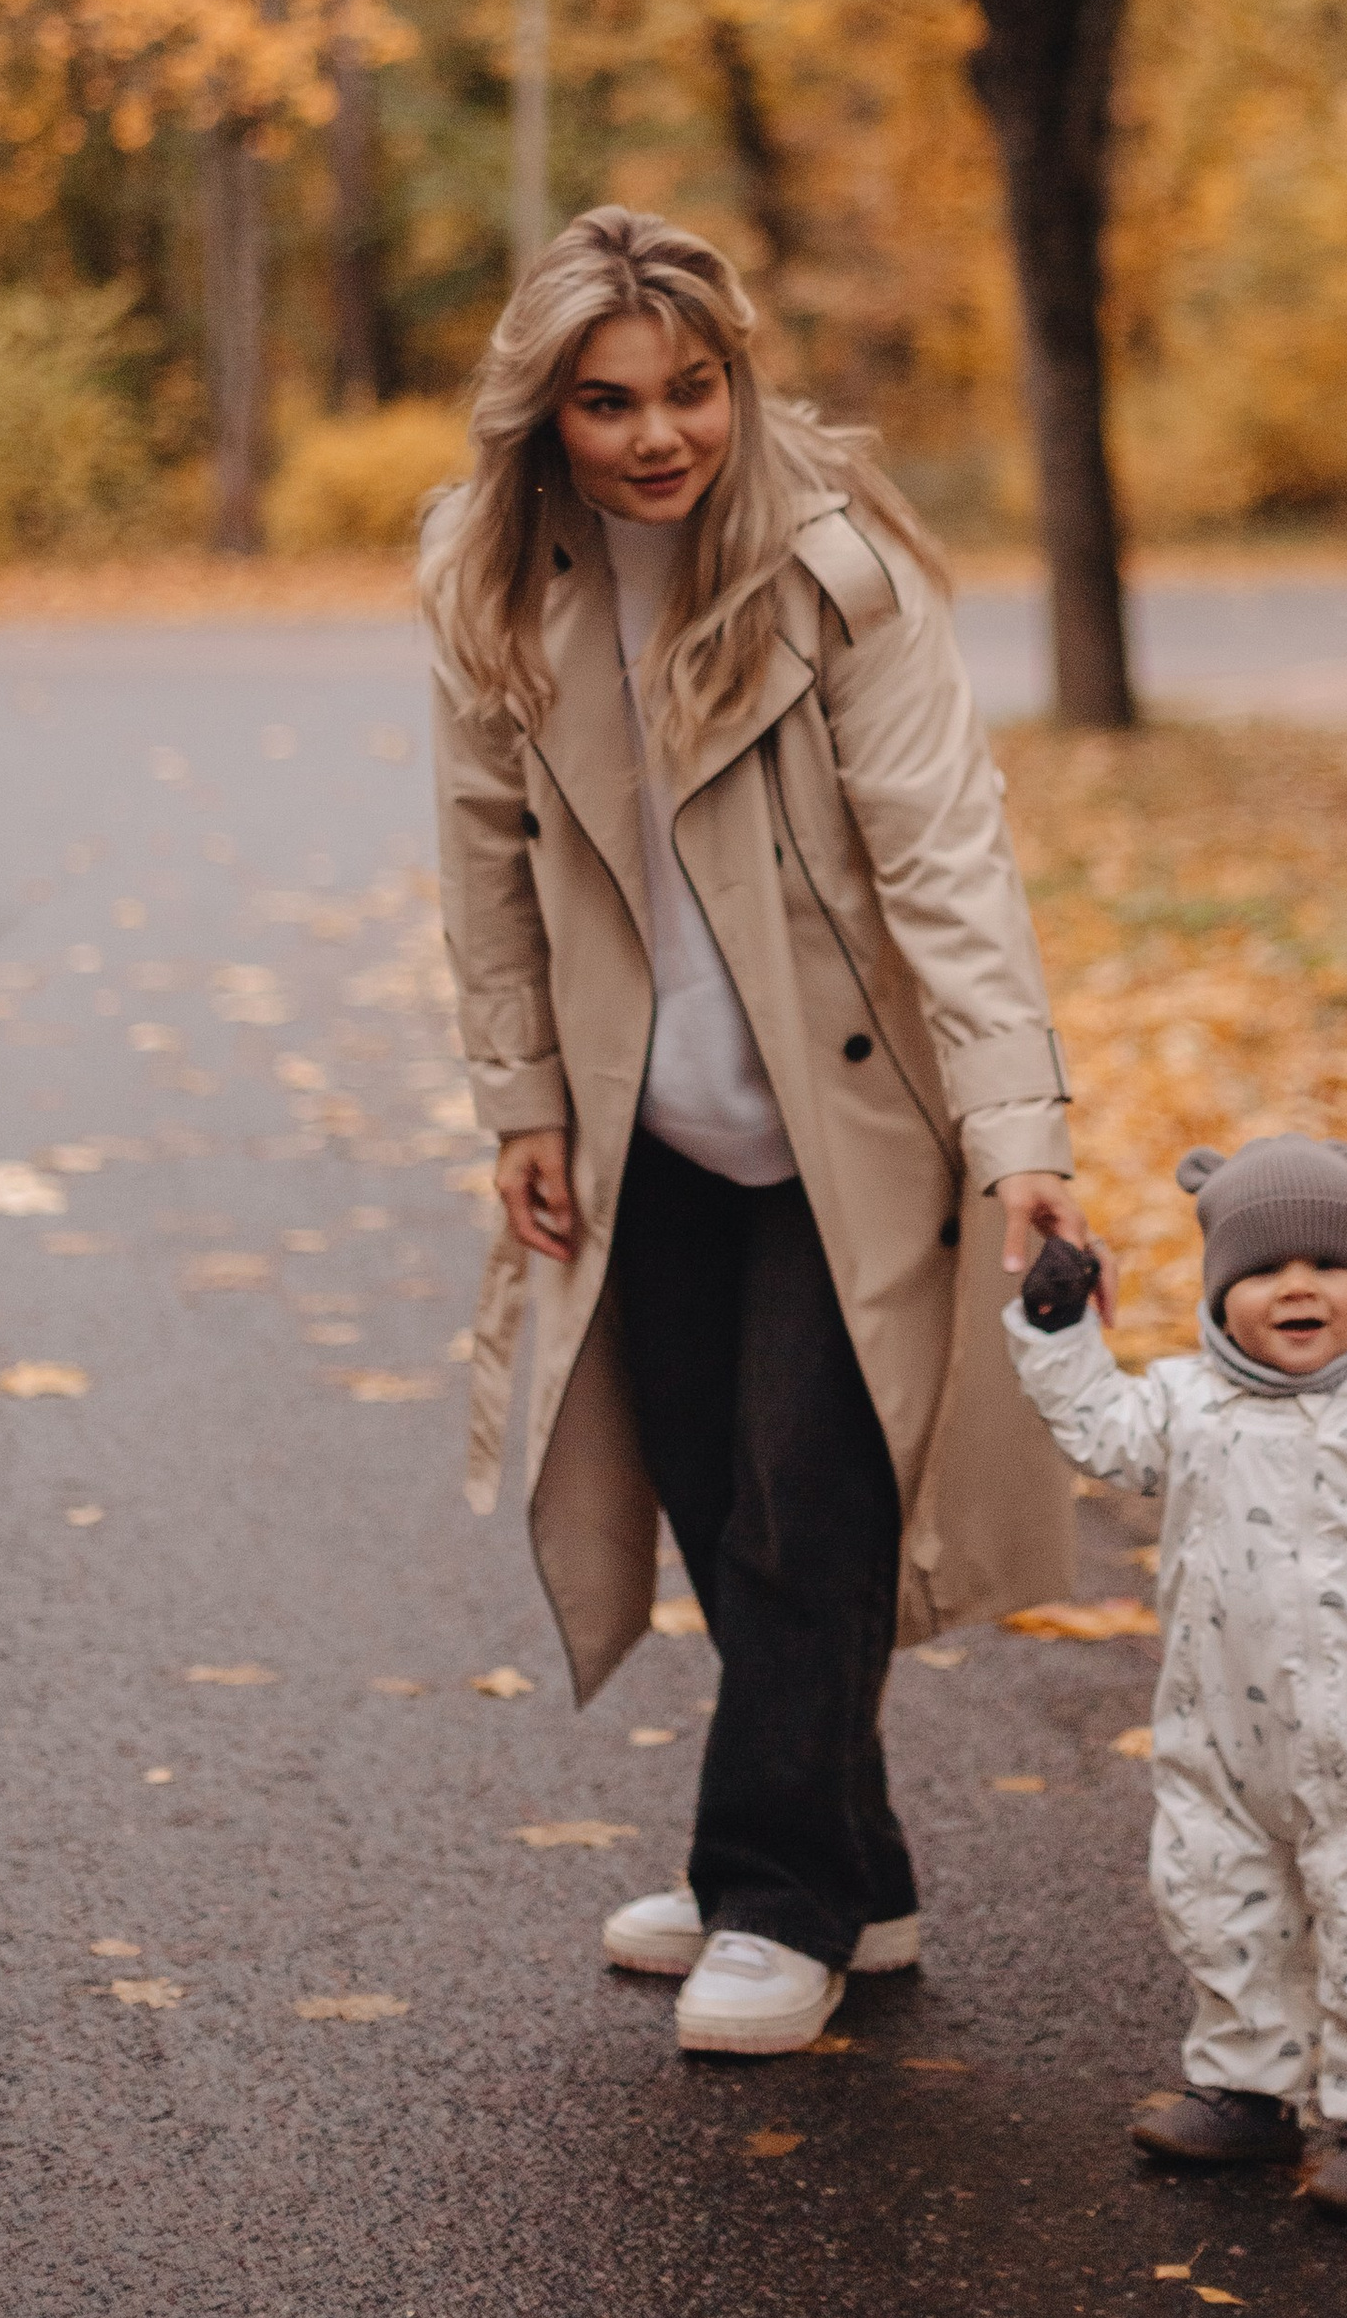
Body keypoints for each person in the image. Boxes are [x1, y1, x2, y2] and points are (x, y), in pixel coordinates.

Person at [422, 204, 1090, 2058]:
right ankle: (852, 1875)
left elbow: (950, 853)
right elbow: (485, 869)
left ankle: (768, 1896)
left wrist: (1018, 1118)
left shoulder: (833, 567)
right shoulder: (492, 583)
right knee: (717, 1495)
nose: (659, 436)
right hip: (650, 1132)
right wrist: (525, 1102)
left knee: (817, 1494)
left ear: (739, 382)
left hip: (849, 1121)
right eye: (611, 400)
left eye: (694, 391)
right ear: (545, 413)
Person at [1005, 1134, 1347, 2217]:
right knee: (1219, 1904)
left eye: (1328, 1265)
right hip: (1219, 1737)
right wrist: (1055, 1328)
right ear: (1219, 1293)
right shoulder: (1191, 1406)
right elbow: (1100, 1432)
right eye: (1261, 1270)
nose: (1297, 1287)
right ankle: (1247, 2087)